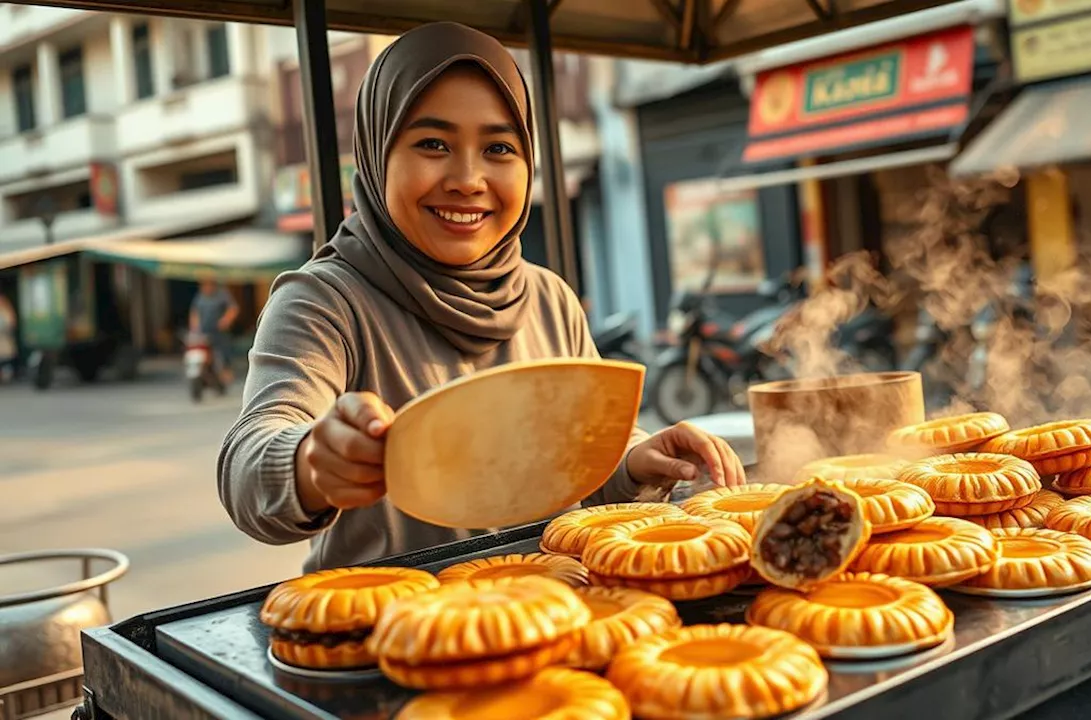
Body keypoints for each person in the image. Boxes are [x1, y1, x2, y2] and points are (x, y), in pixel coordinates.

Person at [217, 22, 746, 574]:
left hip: (553, 613)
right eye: (432, 144)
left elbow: (577, 466)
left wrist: (635, 460)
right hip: (393, 632)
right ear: (376, 154)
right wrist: (310, 460)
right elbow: (251, 458)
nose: (468, 179)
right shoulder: (325, 300)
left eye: (498, 147)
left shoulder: (550, 300)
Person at [189, 278, 240, 387]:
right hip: (204, 332)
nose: (206, 287)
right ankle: (206, 373)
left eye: (209, 284)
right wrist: (195, 327)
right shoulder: (200, 297)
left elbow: (233, 309)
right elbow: (194, 312)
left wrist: (226, 320)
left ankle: (225, 374)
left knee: (224, 353)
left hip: (219, 332)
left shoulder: (222, 295)